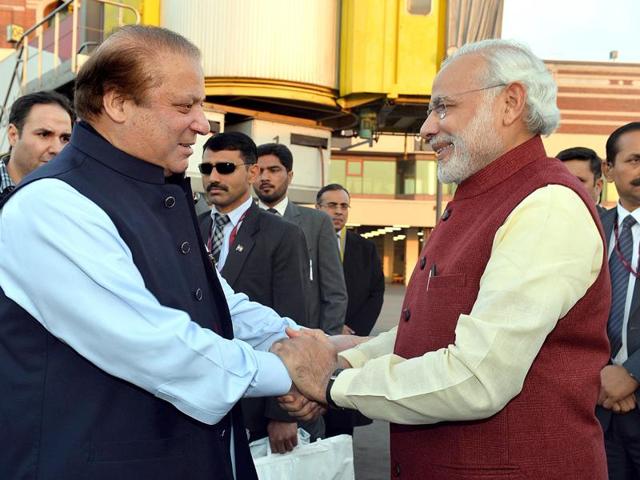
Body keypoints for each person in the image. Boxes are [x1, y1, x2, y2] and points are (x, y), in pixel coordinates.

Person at [274, 38, 611, 479]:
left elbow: (476, 376)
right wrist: (343, 356)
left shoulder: (545, 206)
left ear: (510, 103)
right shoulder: (480, 198)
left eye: (443, 108)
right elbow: (432, 333)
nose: (427, 129)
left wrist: (334, 384)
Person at [0, 25, 318, 480]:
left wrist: (297, 338)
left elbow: (216, 301)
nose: (203, 123)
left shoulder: (156, 189)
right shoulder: (51, 204)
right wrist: (289, 371)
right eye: (184, 105)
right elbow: (151, 344)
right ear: (118, 103)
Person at [197, 131, 321, 453]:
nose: (213, 177)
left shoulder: (282, 235)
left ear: (252, 173)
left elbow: (292, 322)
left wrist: (282, 413)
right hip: (200, 397)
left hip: (256, 404)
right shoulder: (188, 228)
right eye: (206, 168)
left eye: (225, 168)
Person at [254, 143, 347, 335]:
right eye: (259, 170)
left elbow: (334, 293)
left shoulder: (316, 223)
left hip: (302, 337)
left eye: (273, 170)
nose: (264, 177)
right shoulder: (241, 222)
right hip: (251, 339)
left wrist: (326, 342)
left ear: (289, 175)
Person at [316, 183, 384, 437]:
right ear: (318, 208)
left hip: (352, 342)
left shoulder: (364, 247)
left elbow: (376, 292)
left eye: (344, 206)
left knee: (341, 412)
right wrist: (331, 326)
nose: (339, 211)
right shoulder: (301, 240)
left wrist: (353, 329)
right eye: (332, 205)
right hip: (316, 335)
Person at [598, 121, 640, 479]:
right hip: (595, 407)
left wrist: (631, 373)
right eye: (635, 161)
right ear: (608, 170)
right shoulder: (587, 227)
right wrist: (598, 377)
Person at [0, 90, 73, 196]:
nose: (57, 149)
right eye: (44, 135)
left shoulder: (76, 195)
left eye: (65, 138)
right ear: (13, 135)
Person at [556, 146, 605, 212]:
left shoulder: (612, 221)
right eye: (563, 181)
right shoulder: (540, 219)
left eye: (578, 181)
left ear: (598, 186)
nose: (570, 186)